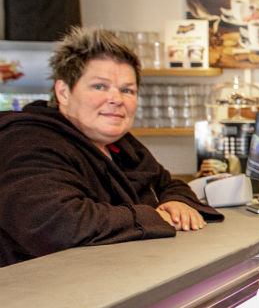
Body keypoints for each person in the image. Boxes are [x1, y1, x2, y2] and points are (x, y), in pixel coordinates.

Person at [0, 27, 221, 267]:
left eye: (127, 90)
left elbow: (166, 183)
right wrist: (153, 216)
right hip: (42, 286)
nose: (116, 99)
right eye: (99, 86)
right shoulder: (27, 140)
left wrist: (177, 202)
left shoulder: (120, 144)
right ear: (63, 92)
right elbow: (58, 224)